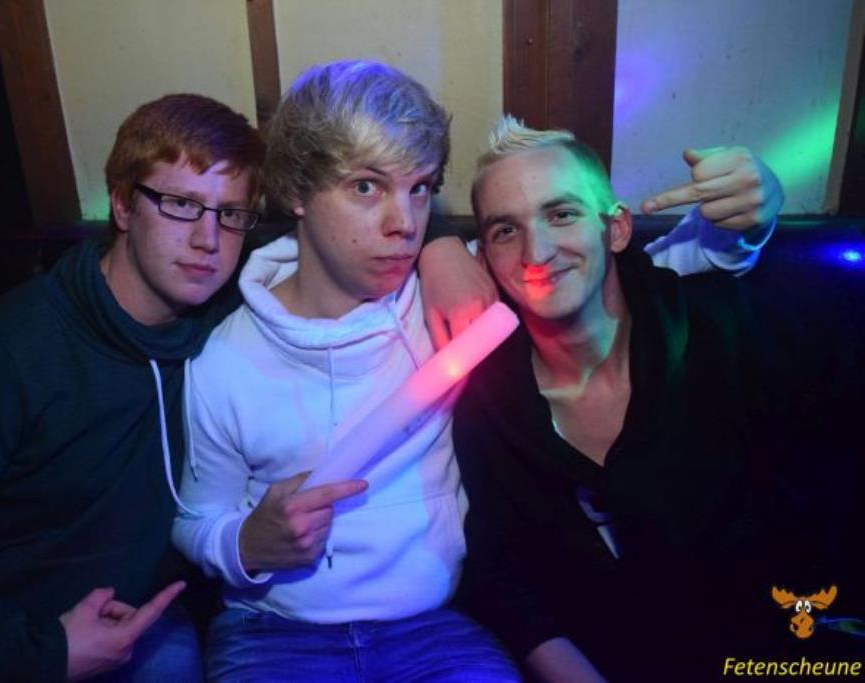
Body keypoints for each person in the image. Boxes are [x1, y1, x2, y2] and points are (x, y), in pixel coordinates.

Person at [171, 60, 778, 682]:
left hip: (433, 627)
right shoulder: (224, 361)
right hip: (273, 632)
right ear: (296, 190)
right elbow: (195, 520)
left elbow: (622, 272)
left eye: (420, 189)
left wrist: (752, 219)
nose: (404, 225)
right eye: (367, 188)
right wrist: (244, 545)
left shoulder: (468, 293)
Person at [0, 94, 265, 682]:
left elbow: (332, 260)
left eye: (231, 214)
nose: (208, 239)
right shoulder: (6, 355)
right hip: (0, 642)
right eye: (180, 204)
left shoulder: (231, 326)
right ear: (122, 204)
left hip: (144, 628)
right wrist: (31, 654)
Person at [453, 117, 858, 681]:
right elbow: (502, 579)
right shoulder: (486, 402)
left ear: (617, 229)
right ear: (484, 260)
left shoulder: (719, 333)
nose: (536, 251)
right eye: (505, 230)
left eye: (562, 213)